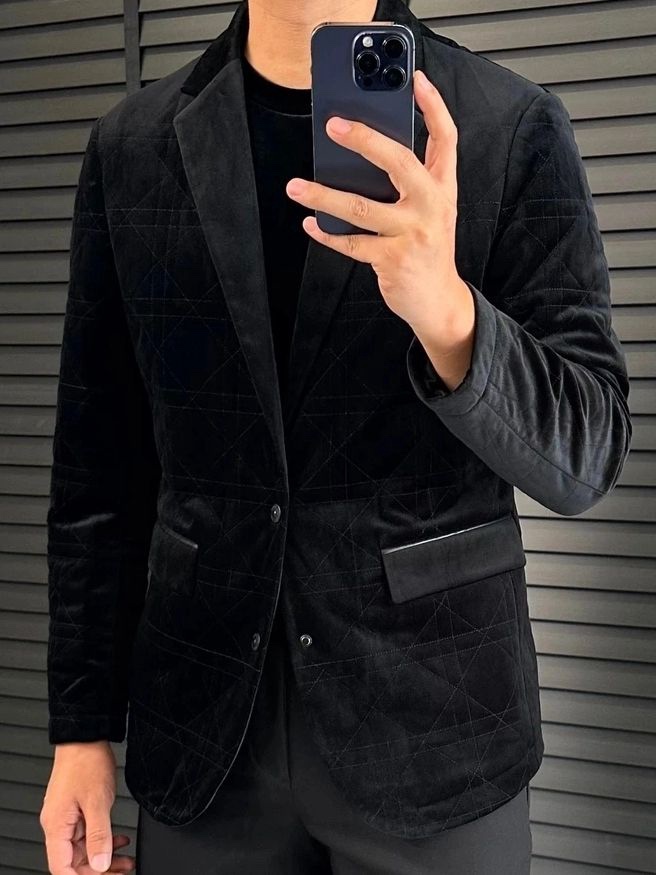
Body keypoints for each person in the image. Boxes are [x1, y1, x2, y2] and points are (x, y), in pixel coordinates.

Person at [39, 0, 632, 872]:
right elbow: (99, 466)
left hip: (435, 734)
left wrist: (450, 314)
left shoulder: (508, 124)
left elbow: (587, 448)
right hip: (206, 739)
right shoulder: (133, 145)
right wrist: (81, 730)